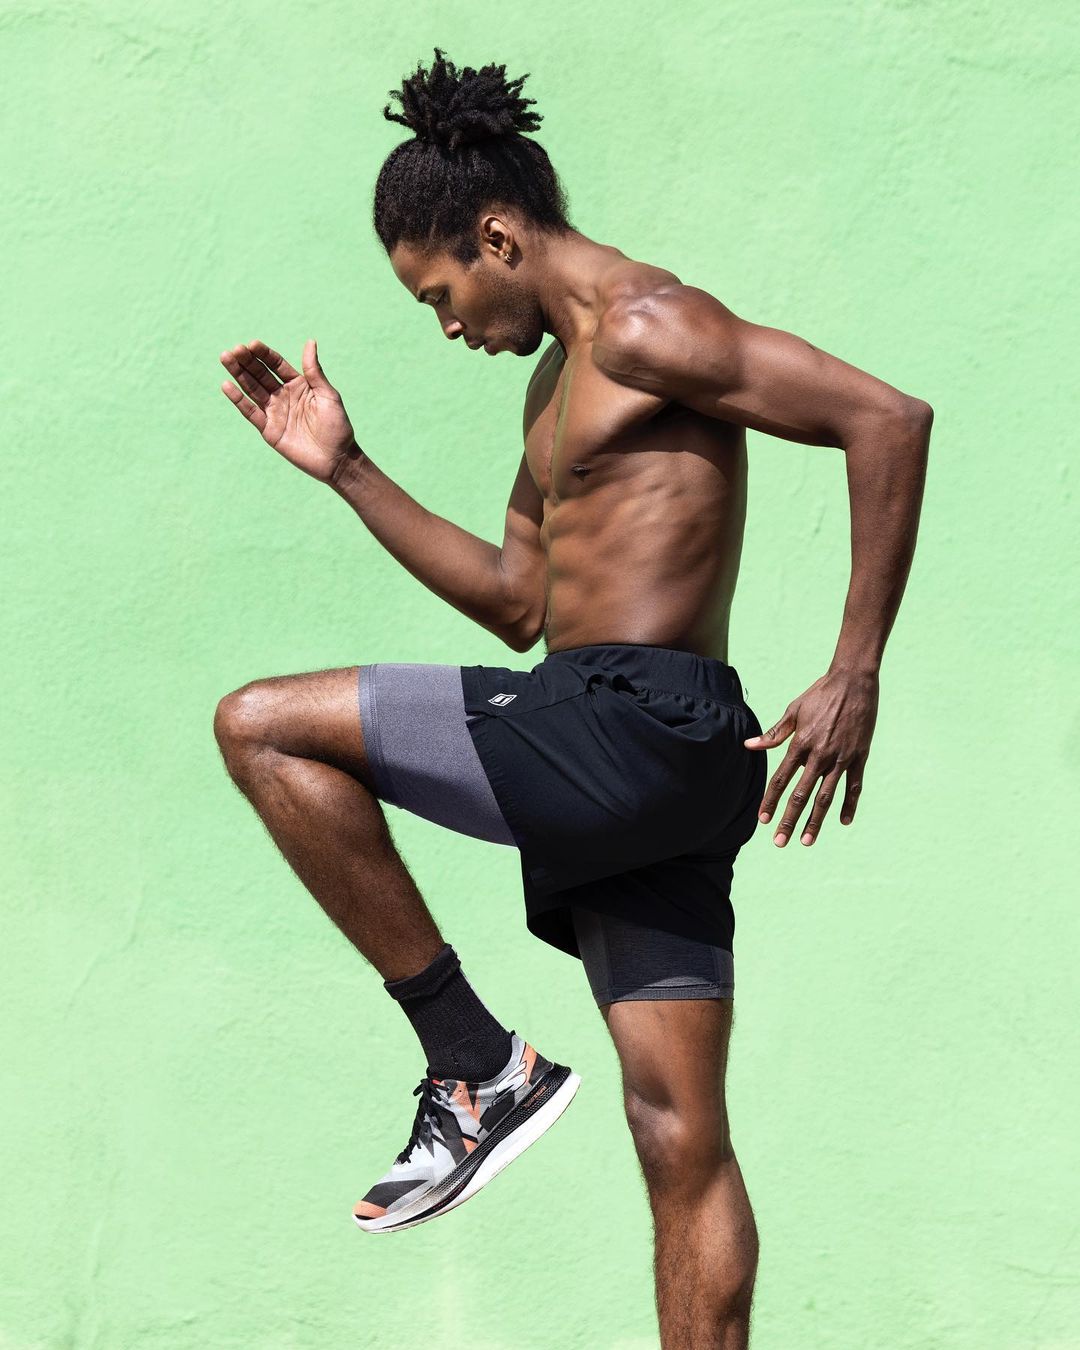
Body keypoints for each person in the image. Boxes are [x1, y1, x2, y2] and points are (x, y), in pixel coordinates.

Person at [214, 46, 932, 1348]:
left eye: (439, 293)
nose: (447, 327)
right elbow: (514, 600)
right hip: (640, 760)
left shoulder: (651, 324)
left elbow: (886, 419)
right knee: (679, 1138)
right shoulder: (555, 389)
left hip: (631, 720)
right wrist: (347, 468)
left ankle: (470, 1060)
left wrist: (855, 666)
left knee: (260, 725)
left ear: (497, 236)